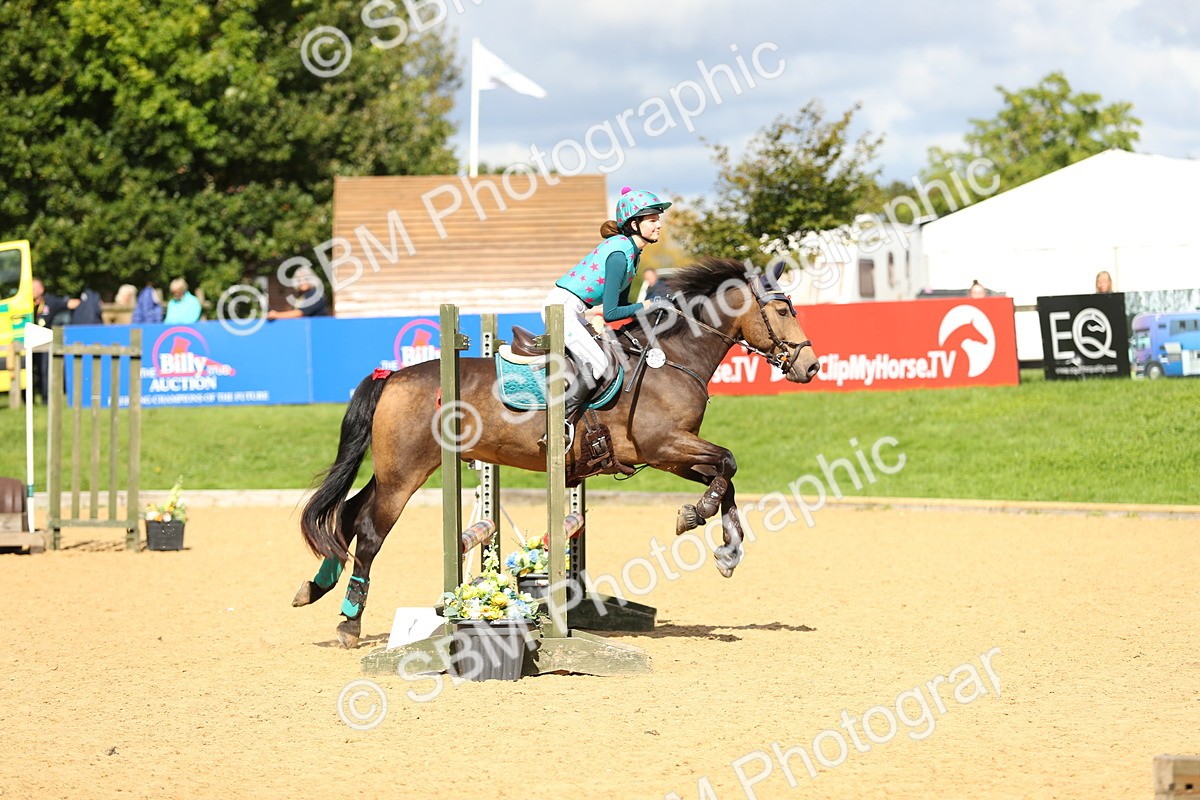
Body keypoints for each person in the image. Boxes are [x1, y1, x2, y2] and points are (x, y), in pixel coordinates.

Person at [542, 186, 671, 443]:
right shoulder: (618, 255)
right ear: (634, 223)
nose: (658, 225)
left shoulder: (632, 254)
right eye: (652, 220)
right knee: (599, 364)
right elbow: (612, 312)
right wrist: (648, 305)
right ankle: (556, 426)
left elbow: (623, 306)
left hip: (575, 309)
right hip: (562, 309)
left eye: (659, 219)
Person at [30, 278, 80, 402]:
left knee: (45, 369)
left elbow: (70, 303)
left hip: (45, 342)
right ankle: (27, 398)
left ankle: (46, 398)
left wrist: (88, 302)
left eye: (33, 288)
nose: (30, 291)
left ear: (41, 290)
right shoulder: (25, 303)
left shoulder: (50, 301)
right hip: (29, 341)